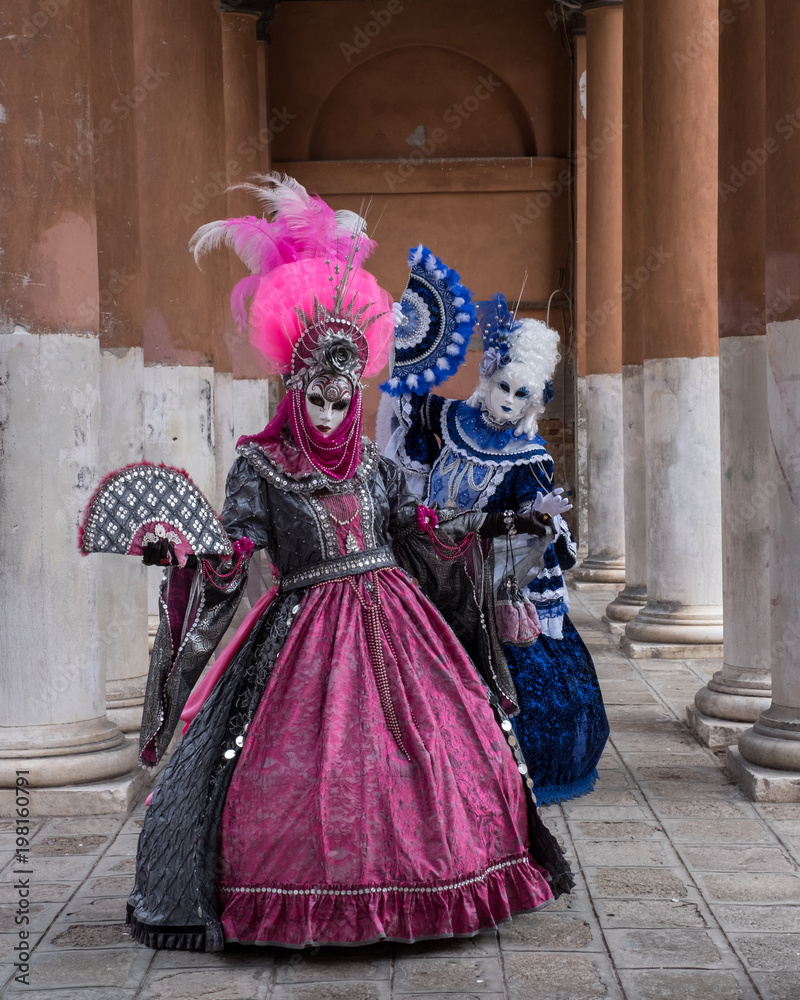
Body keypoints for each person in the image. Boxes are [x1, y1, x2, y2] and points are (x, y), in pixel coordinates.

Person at [126, 176, 572, 952]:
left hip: (398, 623)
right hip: (297, 635)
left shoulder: (375, 467)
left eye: (342, 402)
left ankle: (438, 886)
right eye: (318, 401)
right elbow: (234, 555)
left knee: (430, 749)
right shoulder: (258, 470)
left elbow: (426, 532)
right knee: (299, 767)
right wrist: (195, 558)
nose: (331, 416)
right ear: (294, 392)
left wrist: (499, 519)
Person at [384, 294, 610, 806]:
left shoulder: (529, 458)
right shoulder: (454, 422)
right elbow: (412, 413)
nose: (507, 401)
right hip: (427, 563)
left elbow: (530, 527)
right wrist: (404, 353)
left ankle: (497, 772)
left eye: (520, 395)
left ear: (533, 403)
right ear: (489, 380)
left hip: (487, 581)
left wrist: (541, 517)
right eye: (503, 387)